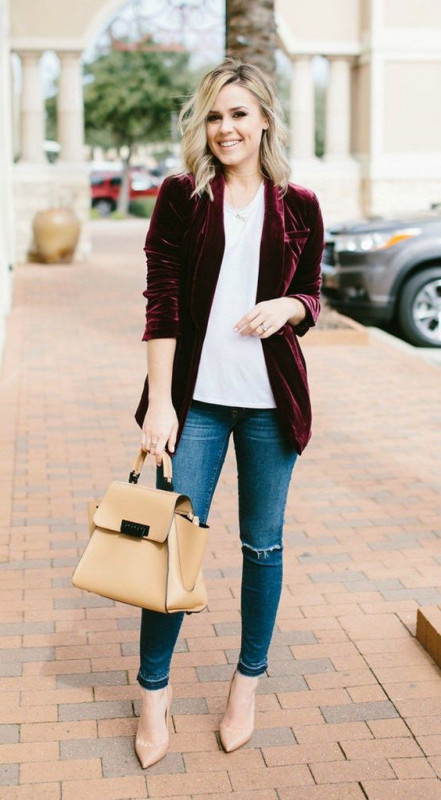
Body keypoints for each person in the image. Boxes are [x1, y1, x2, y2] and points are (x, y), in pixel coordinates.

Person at [134, 59, 324, 769]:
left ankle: (245, 685)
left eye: (239, 114)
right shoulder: (182, 197)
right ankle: (153, 693)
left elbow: (310, 293)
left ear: (264, 119)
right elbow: (161, 300)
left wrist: (292, 307)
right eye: (215, 115)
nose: (225, 128)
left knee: (262, 549)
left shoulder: (297, 203)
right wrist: (159, 404)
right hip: (198, 407)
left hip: (272, 408)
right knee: (172, 546)